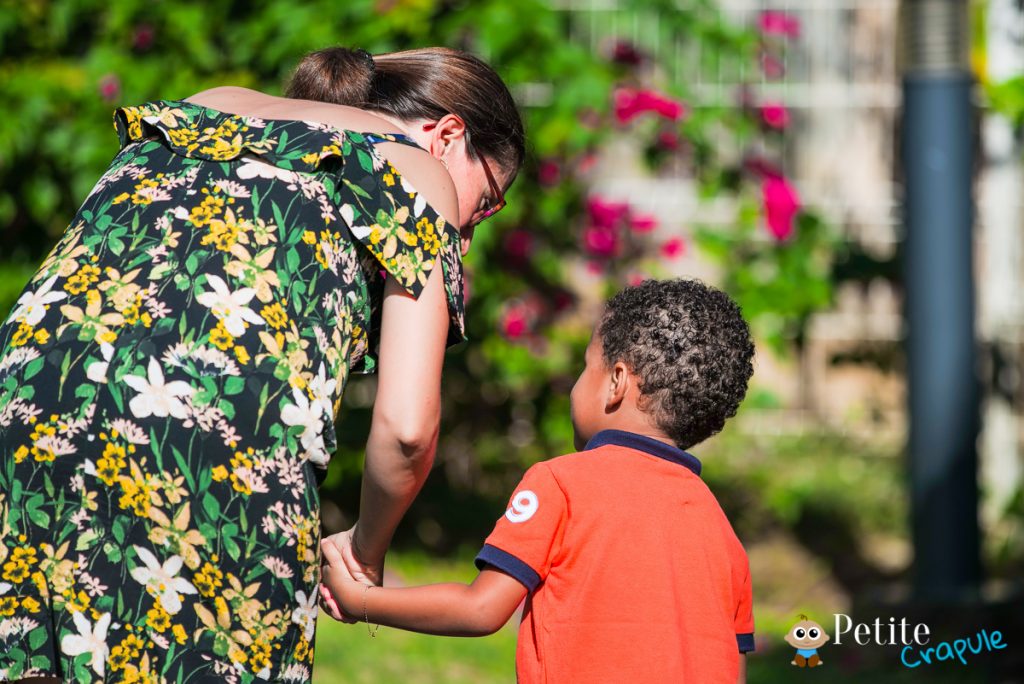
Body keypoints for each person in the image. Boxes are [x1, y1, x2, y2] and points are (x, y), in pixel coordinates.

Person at [0, 46, 524, 683]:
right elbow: (408, 429)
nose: (468, 236)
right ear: (447, 135)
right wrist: (365, 549)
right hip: (202, 426)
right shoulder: (417, 170)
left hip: (29, 391)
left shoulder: (205, 104)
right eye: (489, 203)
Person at [321, 278, 758, 684]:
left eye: (585, 368)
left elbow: (481, 609)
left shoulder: (562, 483)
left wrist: (361, 600)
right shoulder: (723, 535)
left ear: (617, 383)